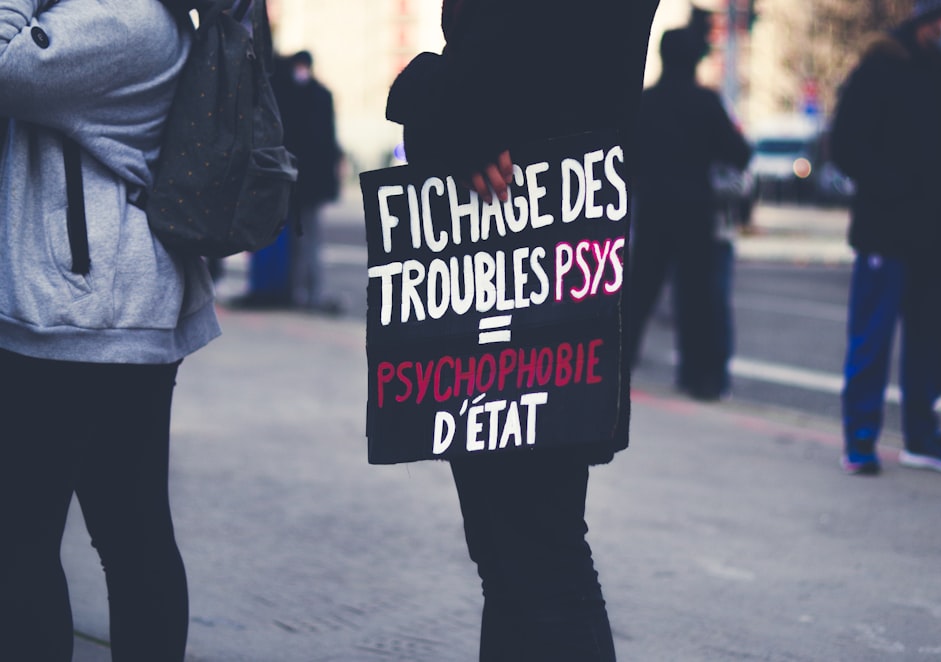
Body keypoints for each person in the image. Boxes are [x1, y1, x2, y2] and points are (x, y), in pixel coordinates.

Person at [385, 0, 659, 659]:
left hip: (512, 272)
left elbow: (458, 93)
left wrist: (423, 90)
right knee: (527, 558)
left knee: (534, 561)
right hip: (561, 266)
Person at [0, 1, 221, 660]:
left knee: (27, 540)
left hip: (84, 316)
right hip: (96, 310)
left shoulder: (122, 18)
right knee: (130, 533)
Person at [830, 0, 941, 476]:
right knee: (872, 340)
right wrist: (895, 190)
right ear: (926, 21)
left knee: (933, 342)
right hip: (887, 232)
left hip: (940, 237)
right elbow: (845, 144)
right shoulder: (881, 68)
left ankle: (922, 437)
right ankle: (860, 439)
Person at [627, 24, 752, 401]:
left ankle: (618, 364)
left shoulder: (644, 102)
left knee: (638, 293)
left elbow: (625, 157)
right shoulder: (705, 102)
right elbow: (739, 153)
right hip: (695, 211)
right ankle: (699, 378)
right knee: (695, 298)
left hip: (651, 208)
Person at [231, 50, 343, 311]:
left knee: (307, 240)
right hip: (299, 182)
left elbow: (323, 143)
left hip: (302, 183)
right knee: (301, 240)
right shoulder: (311, 95)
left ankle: (307, 292)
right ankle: (299, 292)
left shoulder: (306, 96)